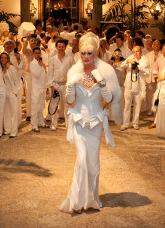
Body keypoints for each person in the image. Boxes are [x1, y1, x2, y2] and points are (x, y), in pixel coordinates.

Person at [59, 32, 122, 214]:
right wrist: (70, 85)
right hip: (79, 122)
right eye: (83, 53)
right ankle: (77, 201)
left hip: (95, 124)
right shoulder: (74, 72)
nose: (86, 57)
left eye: (90, 53)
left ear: (95, 53)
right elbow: (70, 102)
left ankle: (92, 199)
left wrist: (101, 82)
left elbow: (109, 99)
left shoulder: (104, 72)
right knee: (81, 159)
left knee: (93, 163)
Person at [47, 38, 75, 130]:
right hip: (55, 85)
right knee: (54, 106)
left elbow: (73, 72)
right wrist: (51, 85)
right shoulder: (52, 60)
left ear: (65, 47)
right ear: (56, 47)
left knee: (67, 105)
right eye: (59, 47)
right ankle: (54, 124)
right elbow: (50, 73)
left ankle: (69, 124)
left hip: (66, 84)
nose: (61, 48)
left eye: (63, 47)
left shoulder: (70, 59)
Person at [121, 45, 149, 130]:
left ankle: (135, 123)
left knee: (137, 106)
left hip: (139, 86)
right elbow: (122, 65)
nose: (135, 53)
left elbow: (147, 73)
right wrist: (127, 61)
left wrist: (139, 70)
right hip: (129, 85)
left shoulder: (145, 60)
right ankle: (125, 124)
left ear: (141, 52)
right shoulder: (130, 58)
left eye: (137, 51)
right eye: (134, 52)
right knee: (127, 105)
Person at [0, 52, 21, 138]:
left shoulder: (11, 68)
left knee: (14, 112)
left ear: (7, 59)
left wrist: (15, 92)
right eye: (2, 58)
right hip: (4, 92)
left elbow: (17, 81)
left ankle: (14, 131)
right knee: (6, 112)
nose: (3, 59)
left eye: (5, 58)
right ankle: (7, 129)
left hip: (12, 92)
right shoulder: (0, 68)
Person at [29, 47, 48, 132]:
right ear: (33, 54)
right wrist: (40, 66)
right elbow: (37, 74)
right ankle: (34, 124)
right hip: (36, 88)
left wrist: (46, 86)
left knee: (41, 106)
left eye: (39, 53)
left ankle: (41, 122)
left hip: (42, 87)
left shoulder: (42, 64)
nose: (38, 55)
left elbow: (45, 75)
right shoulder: (32, 64)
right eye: (36, 53)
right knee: (35, 107)